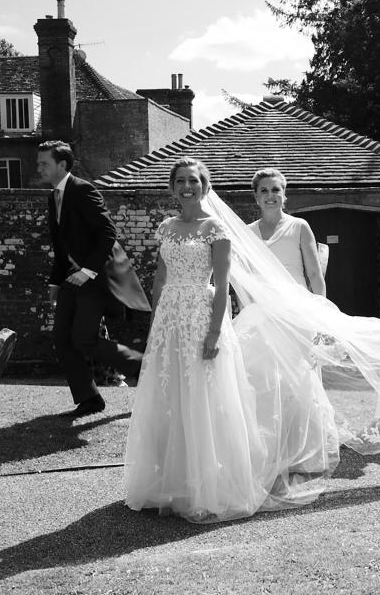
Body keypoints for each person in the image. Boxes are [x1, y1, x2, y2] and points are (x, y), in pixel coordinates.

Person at [124, 158, 338, 523]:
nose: (187, 186)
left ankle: (294, 454)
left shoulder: (271, 227)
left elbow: (304, 277)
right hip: (193, 319)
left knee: (292, 384)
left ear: (205, 187)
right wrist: (158, 323)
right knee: (178, 394)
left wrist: (320, 315)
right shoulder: (183, 228)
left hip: (285, 313)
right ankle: (173, 479)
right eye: (180, 181)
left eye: (194, 181)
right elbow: (168, 279)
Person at [37, 140, 150, 418]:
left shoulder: (83, 190)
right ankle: (89, 398)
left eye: (44, 164)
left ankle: (145, 367)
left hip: (95, 278)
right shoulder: (54, 196)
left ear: (62, 165)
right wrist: (55, 283)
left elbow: (107, 233)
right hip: (69, 280)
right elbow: (61, 245)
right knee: (62, 337)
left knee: (84, 338)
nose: (38, 168)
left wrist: (87, 271)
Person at [248, 169, 326, 296]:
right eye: (264, 191)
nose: (270, 195)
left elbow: (314, 273)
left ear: (284, 194)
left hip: (296, 304)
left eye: (275, 190)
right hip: (262, 306)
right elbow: (246, 278)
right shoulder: (248, 232)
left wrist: (323, 308)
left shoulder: (300, 226)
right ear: (256, 197)